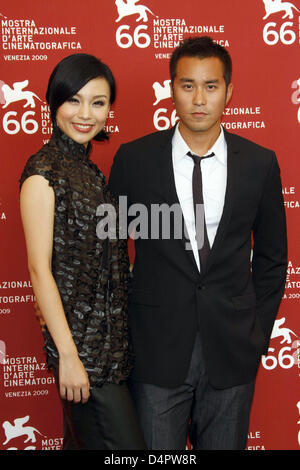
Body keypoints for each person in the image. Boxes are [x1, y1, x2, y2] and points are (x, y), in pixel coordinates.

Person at [108, 36, 287, 450]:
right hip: (155, 351)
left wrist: (254, 334)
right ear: (172, 89)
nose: (199, 99)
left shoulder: (260, 163)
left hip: (232, 351)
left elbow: (274, 258)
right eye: (188, 85)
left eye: (211, 86)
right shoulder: (134, 159)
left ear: (229, 91)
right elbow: (110, 252)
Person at [19, 53, 146, 450]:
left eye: (98, 102)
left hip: (112, 353)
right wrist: (69, 357)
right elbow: (40, 271)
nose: (85, 114)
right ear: (54, 101)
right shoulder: (44, 173)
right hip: (85, 359)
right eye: (74, 100)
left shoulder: (89, 171)